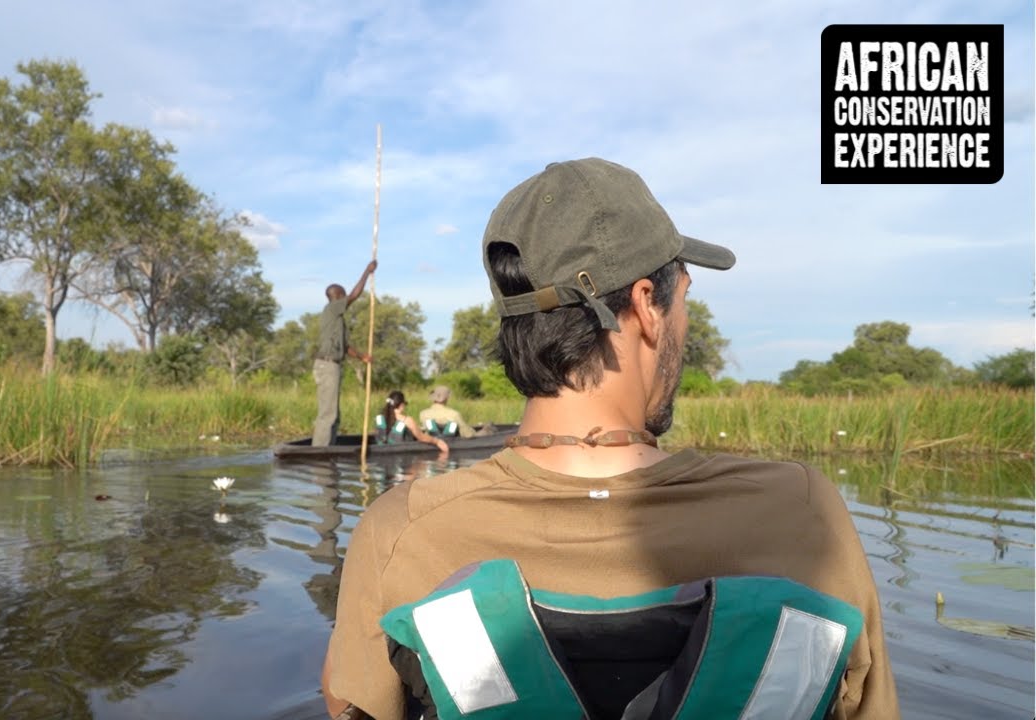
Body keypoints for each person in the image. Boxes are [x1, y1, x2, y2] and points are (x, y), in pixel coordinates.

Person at [321, 158, 899, 719]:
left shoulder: (401, 531)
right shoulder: (800, 511)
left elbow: (347, 706)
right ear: (648, 305)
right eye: (686, 299)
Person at [312, 260, 378, 446]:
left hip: (331, 366)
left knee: (334, 414)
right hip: (327, 366)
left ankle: (329, 448)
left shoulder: (336, 319)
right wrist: (367, 271)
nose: (346, 298)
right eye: (343, 295)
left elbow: (345, 346)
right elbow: (355, 295)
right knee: (328, 414)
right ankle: (319, 453)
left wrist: (362, 357)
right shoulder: (333, 308)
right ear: (338, 296)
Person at [375, 390, 449, 453]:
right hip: (402, 455)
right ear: (401, 405)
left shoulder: (380, 417)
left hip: (381, 452)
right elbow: (422, 437)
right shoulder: (407, 420)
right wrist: (437, 441)